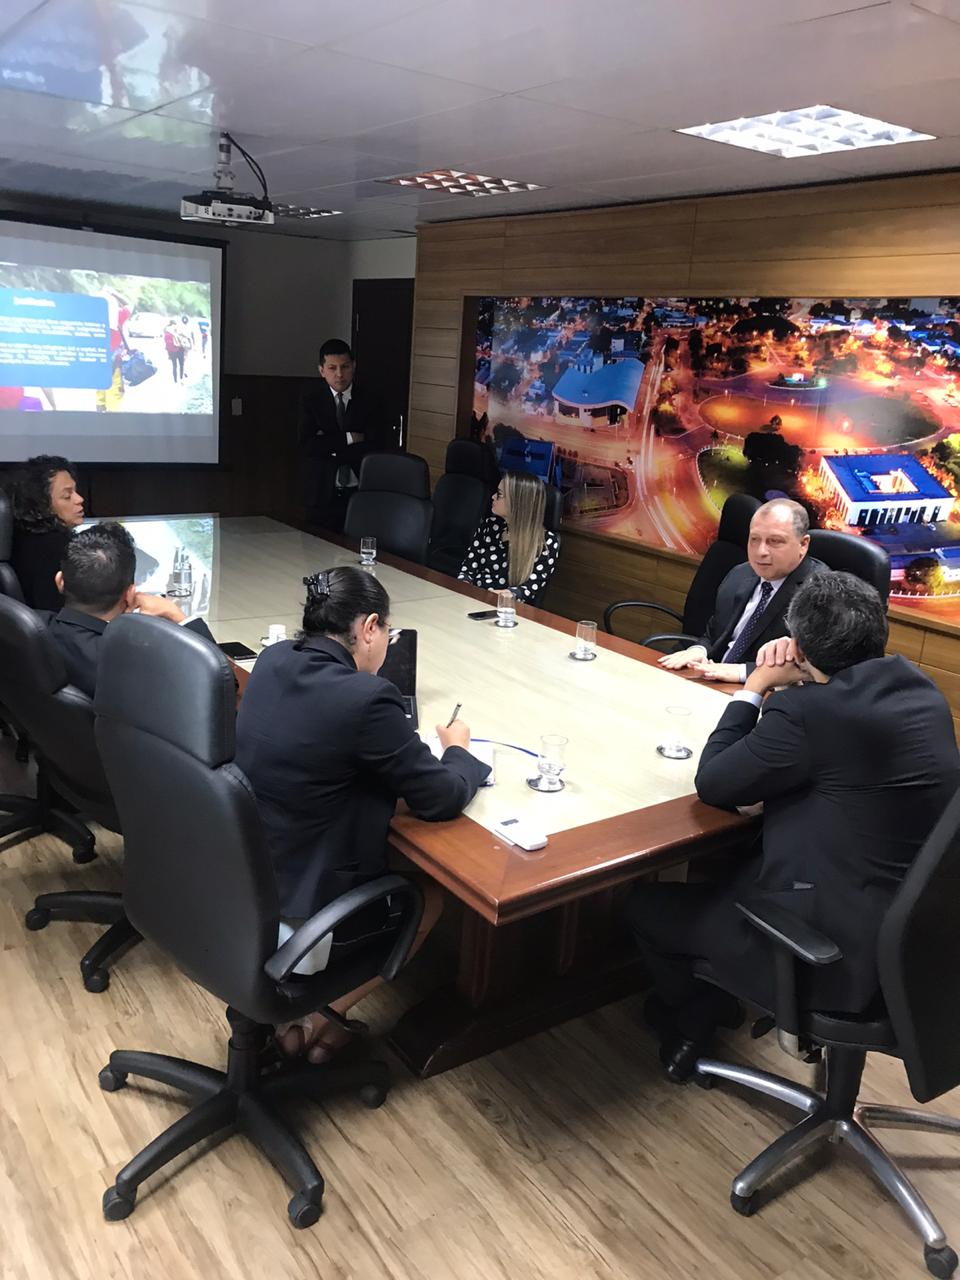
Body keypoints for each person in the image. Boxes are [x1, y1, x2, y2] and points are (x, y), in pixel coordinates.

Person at [627, 572, 960, 1082]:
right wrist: (810, 670)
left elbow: (715, 783)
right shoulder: (920, 690)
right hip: (919, 937)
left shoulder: (810, 712)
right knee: (731, 871)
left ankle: (694, 1015)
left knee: (647, 906)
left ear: (799, 644)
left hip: (832, 954)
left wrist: (757, 685)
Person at [234, 565, 490, 1063]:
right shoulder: (367, 698)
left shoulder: (271, 660)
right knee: (430, 897)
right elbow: (438, 798)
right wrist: (458, 750)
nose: (387, 643)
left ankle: (300, 1019)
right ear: (369, 627)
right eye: (387, 632)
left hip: (243, 886)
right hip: (303, 913)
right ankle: (314, 1014)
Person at [658, 498, 824, 684]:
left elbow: (811, 668)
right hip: (711, 680)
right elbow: (713, 633)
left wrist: (741, 672)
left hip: (766, 696)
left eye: (775, 541)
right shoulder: (740, 574)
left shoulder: (820, 594)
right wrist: (698, 651)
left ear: (803, 544)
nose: (760, 551)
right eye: (754, 539)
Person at [44, 522, 216, 699]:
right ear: (130, 594)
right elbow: (221, 686)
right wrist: (175, 613)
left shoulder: (29, 627)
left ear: (60, 581)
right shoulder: (136, 662)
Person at [297, 338, 391, 532]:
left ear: (353, 367)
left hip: (360, 490)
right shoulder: (310, 400)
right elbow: (307, 446)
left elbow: (376, 444)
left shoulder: (371, 400)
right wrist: (349, 438)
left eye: (345, 367)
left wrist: (329, 446)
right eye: (332, 368)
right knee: (315, 553)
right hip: (320, 492)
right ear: (322, 370)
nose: (339, 374)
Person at [457, 470, 560, 605]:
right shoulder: (490, 525)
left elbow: (527, 590)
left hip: (506, 611)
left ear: (517, 502)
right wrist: (462, 587)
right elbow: (467, 569)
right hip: (471, 600)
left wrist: (502, 596)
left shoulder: (546, 542)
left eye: (499, 495)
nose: (493, 497)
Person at [9, 455, 85, 611]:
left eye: (75, 492)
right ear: (42, 504)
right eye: (67, 495)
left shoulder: (14, 541)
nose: (79, 499)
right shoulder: (59, 549)